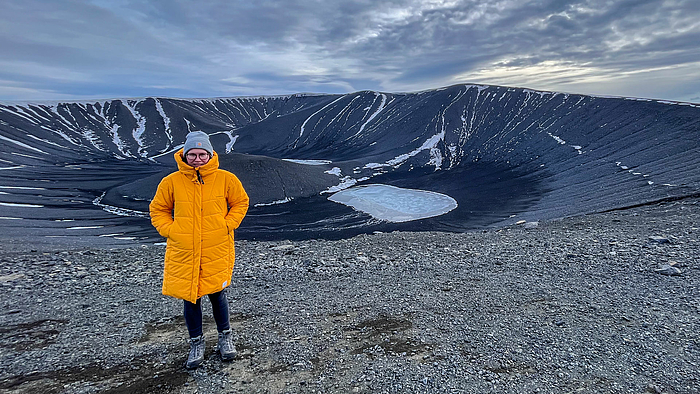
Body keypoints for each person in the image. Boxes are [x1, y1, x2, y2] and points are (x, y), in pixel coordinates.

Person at [149, 131, 249, 369]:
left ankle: (225, 338)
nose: (197, 158)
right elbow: (158, 209)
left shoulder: (226, 179)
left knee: (217, 294)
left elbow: (240, 202)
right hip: (184, 249)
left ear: (210, 154)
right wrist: (170, 230)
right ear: (184, 155)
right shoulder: (171, 182)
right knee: (190, 297)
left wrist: (228, 224)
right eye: (192, 154)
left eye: (201, 153)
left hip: (217, 247)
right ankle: (196, 343)